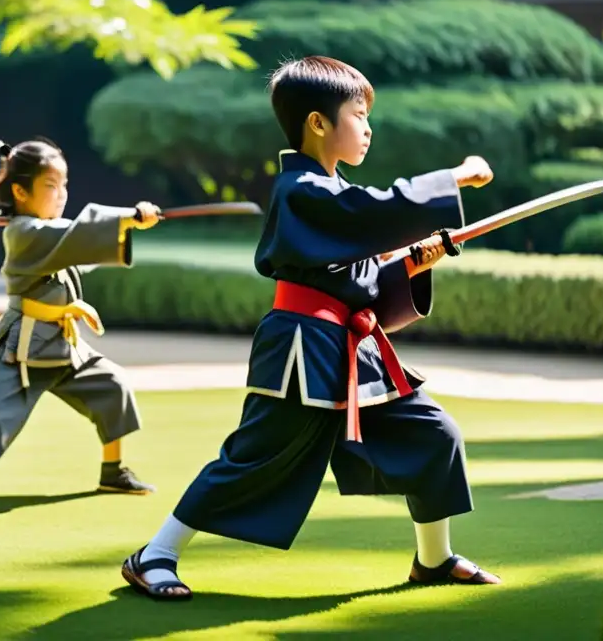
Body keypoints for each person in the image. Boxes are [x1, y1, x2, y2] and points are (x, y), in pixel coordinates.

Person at [120, 56, 501, 600]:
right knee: (256, 455)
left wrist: (416, 259)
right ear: (319, 123)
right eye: (358, 113)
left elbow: (360, 277)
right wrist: (453, 179)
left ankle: (433, 560)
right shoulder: (302, 189)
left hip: (348, 347)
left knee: (432, 432)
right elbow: (370, 213)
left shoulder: (330, 194)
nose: (368, 127)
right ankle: (155, 554)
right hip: (300, 349)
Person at [0, 137, 160, 507]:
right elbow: (76, 235)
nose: (61, 193)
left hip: (64, 345)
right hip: (25, 349)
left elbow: (79, 241)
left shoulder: (53, 230)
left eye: (64, 184)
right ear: (20, 190)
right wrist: (127, 217)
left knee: (111, 385)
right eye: (51, 185)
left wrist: (126, 225)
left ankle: (113, 472)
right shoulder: (22, 232)